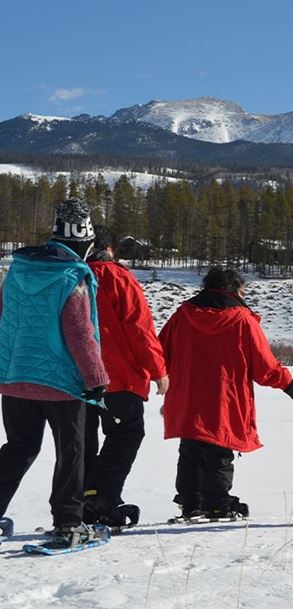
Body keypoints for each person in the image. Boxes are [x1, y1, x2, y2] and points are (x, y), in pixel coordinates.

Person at [159, 266, 293, 519]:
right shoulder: (242, 320)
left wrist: (157, 382)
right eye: (243, 291)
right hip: (224, 397)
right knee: (218, 449)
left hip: (185, 397)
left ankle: (190, 502)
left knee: (190, 447)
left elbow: (159, 351)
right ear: (234, 290)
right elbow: (265, 367)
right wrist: (292, 387)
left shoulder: (183, 316)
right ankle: (217, 502)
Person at [0, 198, 109, 547]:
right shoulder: (73, 277)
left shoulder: (17, 270)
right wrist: (96, 379)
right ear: (85, 242)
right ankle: (68, 522)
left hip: (15, 379)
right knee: (71, 452)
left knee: (19, 447)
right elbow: (81, 334)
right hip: (61, 384)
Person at [83, 225, 169, 527]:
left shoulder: (70, 277)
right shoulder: (118, 278)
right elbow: (139, 329)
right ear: (111, 249)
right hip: (118, 378)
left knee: (81, 441)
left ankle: (84, 499)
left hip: (75, 378)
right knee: (125, 435)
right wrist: (158, 371)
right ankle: (103, 500)